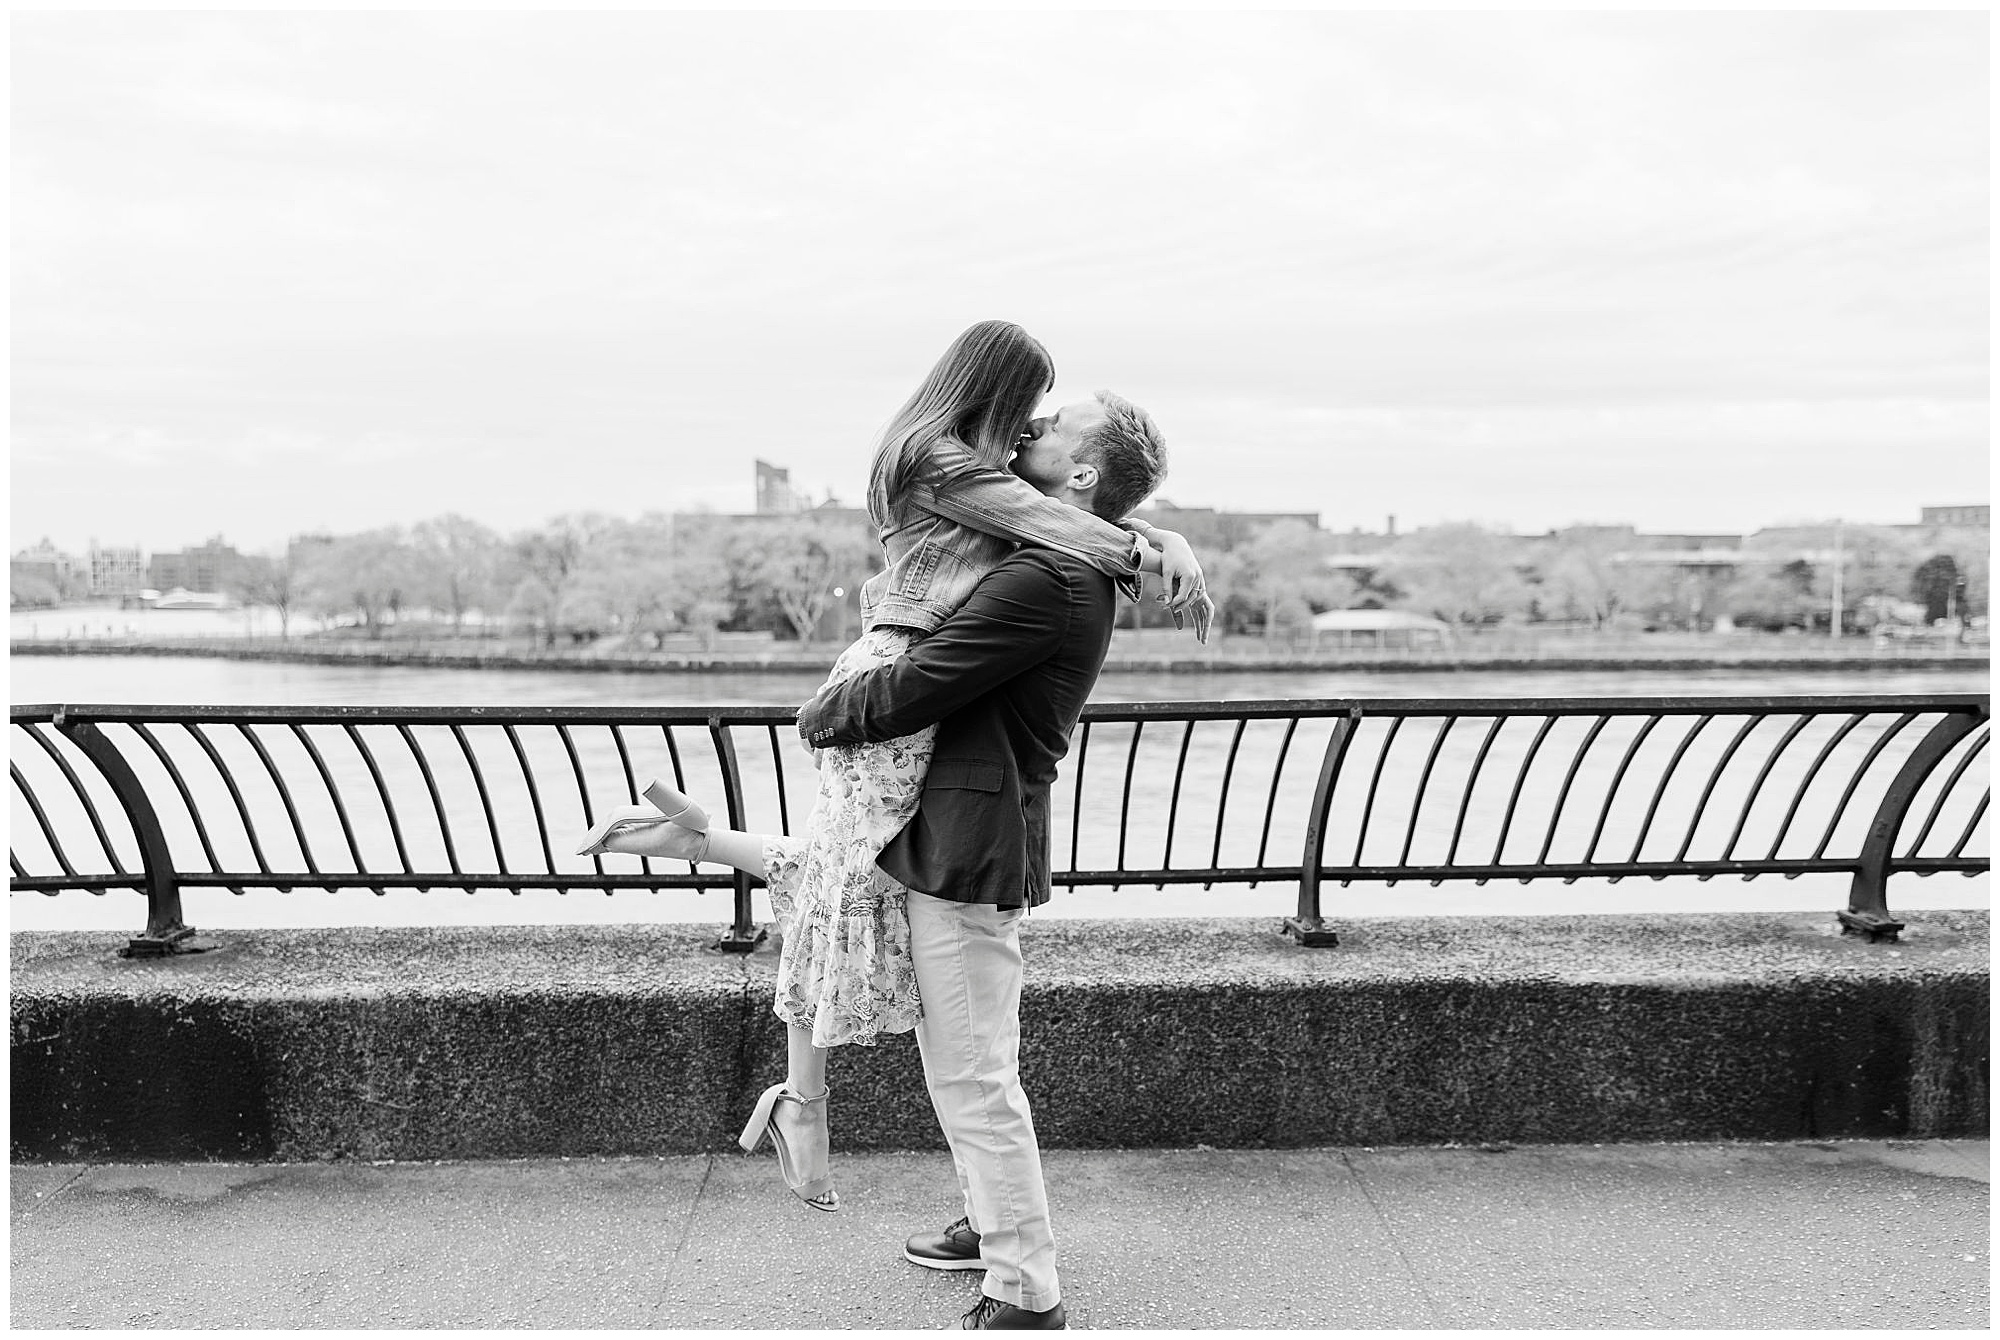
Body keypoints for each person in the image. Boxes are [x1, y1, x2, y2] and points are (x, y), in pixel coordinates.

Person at [579, 322, 1211, 1219]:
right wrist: (1154, 548)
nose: (1035, 422)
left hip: (902, 673)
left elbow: (1063, 516)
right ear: (996, 388)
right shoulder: (937, 462)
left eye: (1053, 417)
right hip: (892, 665)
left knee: (857, 875)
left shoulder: (987, 486)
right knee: (851, 878)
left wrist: (1158, 536)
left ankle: (789, 1056)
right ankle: (804, 1102)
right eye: (1033, 403)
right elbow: (1056, 520)